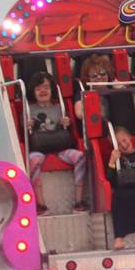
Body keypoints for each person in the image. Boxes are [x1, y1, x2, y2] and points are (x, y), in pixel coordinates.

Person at [26, 72, 88, 215]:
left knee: (79, 157)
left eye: (46, 87)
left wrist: (66, 122)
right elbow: (24, 129)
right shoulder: (29, 109)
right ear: (33, 92)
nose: (43, 91)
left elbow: (68, 127)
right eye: (38, 88)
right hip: (39, 147)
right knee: (34, 161)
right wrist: (27, 124)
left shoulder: (59, 107)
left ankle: (78, 201)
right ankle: (41, 204)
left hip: (59, 145)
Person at [73, 54, 116, 120]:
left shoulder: (114, 90)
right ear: (88, 78)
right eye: (94, 76)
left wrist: (122, 89)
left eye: (103, 74)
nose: (99, 77)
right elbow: (79, 114)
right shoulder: (82, 93)